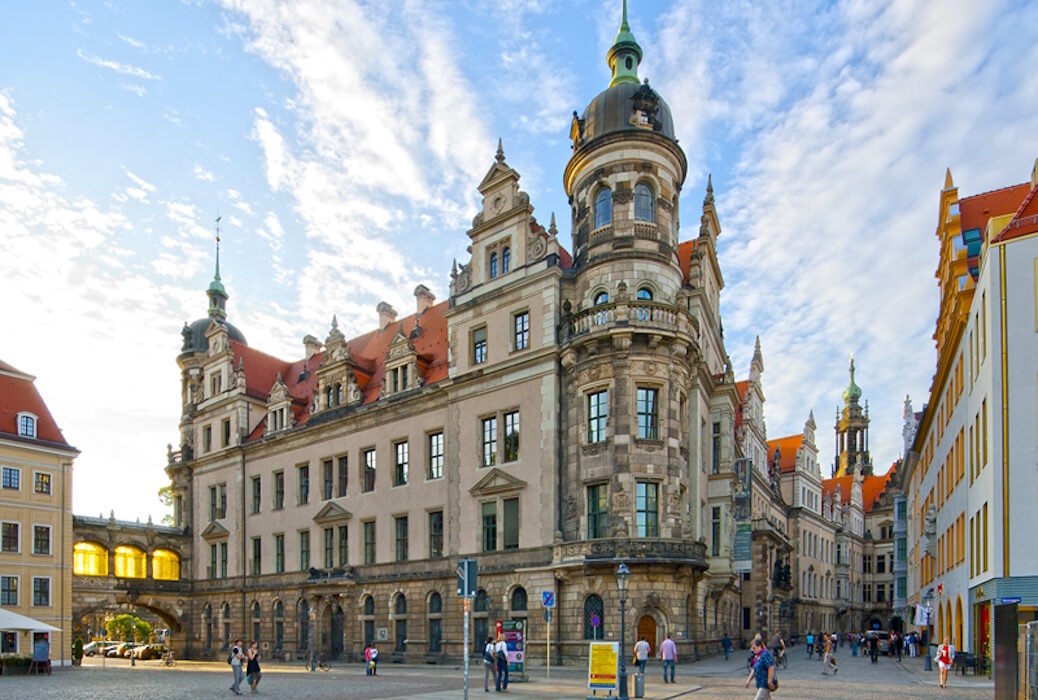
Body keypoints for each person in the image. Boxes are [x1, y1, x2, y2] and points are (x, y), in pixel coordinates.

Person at [744, 635, 776, 700]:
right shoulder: (757, 656)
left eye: (754, 648)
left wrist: (769, 681)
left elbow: (771, 667)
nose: (753, 650)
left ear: (759, 647)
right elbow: (754, 669)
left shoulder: (765, 655)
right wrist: (748, 680)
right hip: (759, 683)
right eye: (752, 648)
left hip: (765, 684)